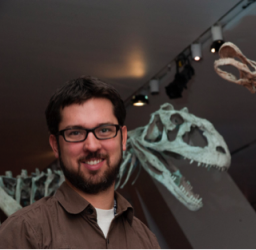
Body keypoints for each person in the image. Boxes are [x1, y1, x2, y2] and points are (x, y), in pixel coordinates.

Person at [0, 76, 161, 249]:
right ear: (55, 145)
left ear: (122, 139)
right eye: (75, 133)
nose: (92, 146)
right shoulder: (24, 231)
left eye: (104, 130)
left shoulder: (145, 240)